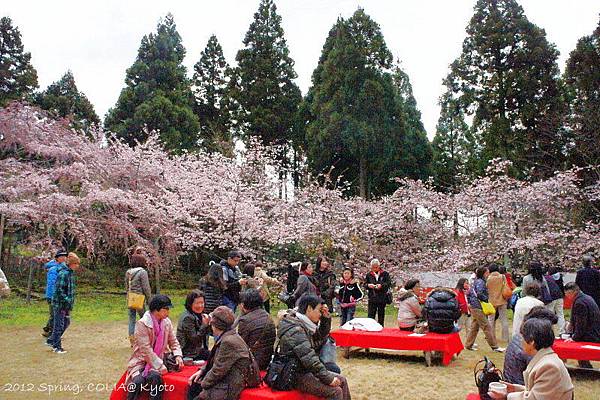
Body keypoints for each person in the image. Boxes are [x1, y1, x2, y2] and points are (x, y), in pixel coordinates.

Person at [276, 294, 351, 400]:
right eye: (319, 310)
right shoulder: (296, 329)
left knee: (342, 380)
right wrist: (328, 379)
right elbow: (310, 359)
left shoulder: (304, 324)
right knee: (335, 391)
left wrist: (325, 319)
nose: (320, 314)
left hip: (303, 369)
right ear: (309, 309)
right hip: (292, 374)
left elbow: (319, 339)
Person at [488, 318, 574, 400]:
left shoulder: (549, 366)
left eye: (523, 338)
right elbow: (538, 390)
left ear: (532, 342)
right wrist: (514, 388)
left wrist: (506, 397)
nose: (521, 341)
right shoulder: (546, 358)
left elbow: (535, 398)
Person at [187, 306, 252, 400]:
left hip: (229, 384)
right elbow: (216, 361)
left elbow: (218, 370)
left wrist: (203, 383)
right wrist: (202, 371)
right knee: (194, 383)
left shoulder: (228, 341)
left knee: (197, 389)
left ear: (214, 325)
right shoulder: (229, 335)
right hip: (227, 379)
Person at [126, 294, 183, 400]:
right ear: (156, 310)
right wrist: (159, 365)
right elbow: (145, 350)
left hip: (160, 358)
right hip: (141, 361)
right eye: (165, 309)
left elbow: (173, 342)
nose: (168, 312)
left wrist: (178, 355)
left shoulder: (167, 322)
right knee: (137, 382)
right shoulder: (142, 324)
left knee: (155, 378)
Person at [503, 306, 558, 385]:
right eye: (549, 327)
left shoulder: (519, 337)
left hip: (512, 383)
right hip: (521, 388)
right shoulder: (530, 346)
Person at [465, 266, 504, 352]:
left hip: (475, 306)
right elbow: (479, 293)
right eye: (487, 272)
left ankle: (468, 345)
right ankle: (495, 346)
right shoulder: (480, 282)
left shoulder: (477, 281)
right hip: (478, 306)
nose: (488, 274)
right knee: (486, 327)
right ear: (483, 273)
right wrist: (486, 299)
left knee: (474, 327)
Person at [46, 252, 80, 353]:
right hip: (60, 304)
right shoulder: (63, 273)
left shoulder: (70, 273)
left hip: (66, 305)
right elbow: (59, 290)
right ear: (71, 264)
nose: (77, 266)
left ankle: (51, 340)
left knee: (66, 322)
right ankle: (56, 347)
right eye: (76, 264)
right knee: (59, 325)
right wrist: (67, 300)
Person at [235, 289, 276, 370]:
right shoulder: (268, 316)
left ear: (243, 304)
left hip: (252, 364)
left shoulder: (246, 320)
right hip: (266, 360)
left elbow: (240, 345)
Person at [564, 282, 600, 369]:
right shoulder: (586, 297)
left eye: (566, 294)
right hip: (595, 330)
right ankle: (585, 365)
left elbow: (581, 324)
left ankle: (585, 366)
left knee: (568, 344)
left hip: (590, 334)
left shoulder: (579, 303)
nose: (566, 296)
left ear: (572, 292)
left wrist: (574, 338)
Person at [126, 253, 153, 346]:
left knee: (131, 319)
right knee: (144, 319)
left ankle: (132, 341)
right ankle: (146, 339)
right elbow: (146, 287)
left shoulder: (128, 272)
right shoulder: (142, 272)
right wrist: (150, 300)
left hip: (130, 297)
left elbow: (126, 286)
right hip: (139, 298)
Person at [177, 290, 210, 361]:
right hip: (189, 353)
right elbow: (194, 339)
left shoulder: (201, 315)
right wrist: (204, 325)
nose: (200, 306)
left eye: (202, 303)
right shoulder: (187, 318)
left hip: (199, 350)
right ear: (190, 303)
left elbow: (208, 333)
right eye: (197, 303)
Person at [42, 249, 67, 337]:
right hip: (52, 295)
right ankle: (50, 332)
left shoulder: (62, 266)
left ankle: (48, 329)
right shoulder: (53, 269)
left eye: (65, 256)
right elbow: (52, 284)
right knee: (54, 314)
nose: (64, 258)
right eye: (62, 256)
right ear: (57, 258)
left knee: (56, 314)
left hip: (59, 295)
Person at [364, 258, 392, 326]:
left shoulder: (385, 274)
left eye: (376, 267)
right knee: (371, 315)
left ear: (379, 266)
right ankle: (370, 327)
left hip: (382, 297)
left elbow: (388, 283)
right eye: (373, 267)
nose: (375, 269)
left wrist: (381, 285)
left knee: (381, 315)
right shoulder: (369, 275)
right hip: (372, 297)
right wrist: (368, 285)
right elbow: (364, 284)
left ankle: (381, 327)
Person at [486, 263, 509, 342]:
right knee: (504, 319)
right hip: (502, 299)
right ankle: (505, 338)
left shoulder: (488, 278)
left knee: (490, 320)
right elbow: (505, 286)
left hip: (491, 301)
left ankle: (491, 337)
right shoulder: (502, 277)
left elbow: (486, 288)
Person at [544, 266, 566, 334]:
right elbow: (562, 287)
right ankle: (562, 331)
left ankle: (550, 332)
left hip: (552, 297)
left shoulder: (547, 278)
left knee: (549, 314)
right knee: (560, 314)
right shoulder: (560, 277)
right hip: (559, 296)